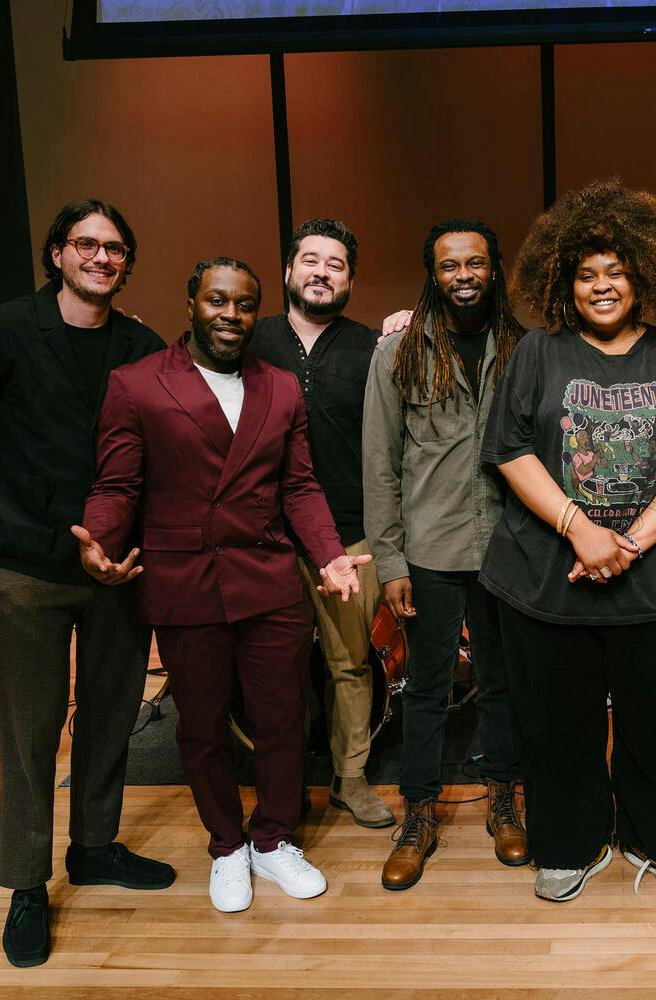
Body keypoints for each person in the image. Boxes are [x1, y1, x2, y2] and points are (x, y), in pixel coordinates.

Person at [74, 257, 371, 914]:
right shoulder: (138, 384)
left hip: (270, 580)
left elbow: (299, 485)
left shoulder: (280, 387)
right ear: (191, 303)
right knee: (204, 725)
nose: (230, 315)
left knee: (283, 719)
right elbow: (118, 484)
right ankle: (227, 845)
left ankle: (273, 839)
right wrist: (100, 539)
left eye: (243, 304)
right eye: (217, 300)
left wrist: (328, 555)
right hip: (186, 579)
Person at [0, 199, 173, 968]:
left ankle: (94, 846)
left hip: (117, 569)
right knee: (30, 731)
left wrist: (145, 549)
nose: (102, 257)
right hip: (22, 567)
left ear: (126, 264)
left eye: (116, 248)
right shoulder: (1, 331)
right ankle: (27, 883)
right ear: (57, 254)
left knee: (110, 716)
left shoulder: (142, 346)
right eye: (86, 244)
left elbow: (160, 458)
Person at [482, 178, 656, 903]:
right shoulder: (538, 353)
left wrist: (629, 544)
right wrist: (582, 531)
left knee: (655, 721)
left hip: (647, 583)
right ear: (565, 282)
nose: (602, 286)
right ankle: (570, 842)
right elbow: (510, 450)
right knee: (559, 724)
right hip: (546, 580)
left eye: (615, 271)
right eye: (586, 274)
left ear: (641, 275)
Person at [363, 218, 529, 890]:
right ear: (433, 274)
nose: (464, 275)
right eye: (450, 265)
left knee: (503, 685)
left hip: (509, 550)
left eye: (475, 263)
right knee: (427, 688)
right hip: (429, 551)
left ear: (494, 268)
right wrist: (390, 562)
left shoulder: (524, 349)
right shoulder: (397, 353)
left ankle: (504, 801)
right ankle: (419, 815)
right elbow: (379, 464)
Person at [246, 218, 392, 828]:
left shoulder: (374, 348)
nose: (321, 273)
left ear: (350, 279)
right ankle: (282, 786)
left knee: (349, 665)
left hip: (351, 535)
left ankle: (349, 779)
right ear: (288, 270)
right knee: (273, 670)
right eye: (311, 260)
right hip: (266, 537)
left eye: (336, 264)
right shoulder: (249, 339)